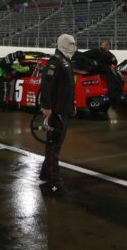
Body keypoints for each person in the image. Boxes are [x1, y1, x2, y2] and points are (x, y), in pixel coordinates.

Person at [39, 34, 78, 196]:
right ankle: (53, 183)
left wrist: (72, 104)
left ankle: (44, 174)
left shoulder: (66, 61)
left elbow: (68, 87)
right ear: (62, 44)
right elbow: (46, 85)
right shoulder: (55, 62)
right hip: (56, 111)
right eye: (70, 43)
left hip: (64, 109)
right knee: (53, 146)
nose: (73, 46)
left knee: (55, 144)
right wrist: (46, 107)